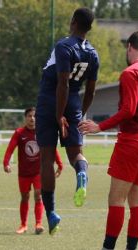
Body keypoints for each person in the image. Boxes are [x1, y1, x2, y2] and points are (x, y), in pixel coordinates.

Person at [79, 31, 138, 250]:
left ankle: (108, 247)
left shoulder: (131, 73)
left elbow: (128, 110)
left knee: (116, 199)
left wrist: (99, 126)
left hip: (132, 141)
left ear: (130, 47)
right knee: (136, 200)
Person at [35, 7, 99, 234]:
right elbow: (90, 91)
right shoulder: (92, 53)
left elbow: (62, 83)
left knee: (47, 158)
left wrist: (58, 114)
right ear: (89, 28)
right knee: (75, 154)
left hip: (51, 101)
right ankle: (81, 172)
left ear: (73, 21)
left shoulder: (63, 46)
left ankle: (51, 213)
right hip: (73, 103)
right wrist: (79, 114)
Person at [3, 107, 64, 234]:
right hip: (24, 173)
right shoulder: (19, 133)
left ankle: (38, 224)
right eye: (29, 116)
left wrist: (60, 164)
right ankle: (23, 225)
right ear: (25, 118)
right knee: (25, 197)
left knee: (38, 195)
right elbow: (10, 149)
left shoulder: (41, 132)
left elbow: (51, 148)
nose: (32, 118)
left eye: (34, 116)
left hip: (38, 172)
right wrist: (6, 162)